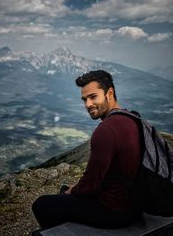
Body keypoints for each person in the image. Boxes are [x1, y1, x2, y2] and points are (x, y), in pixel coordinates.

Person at [32, 70, 142, 231]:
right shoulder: (132, 118)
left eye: (93, 97)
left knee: (42, 204)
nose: (88, 105)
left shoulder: (106, 129)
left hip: (115, 211)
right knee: (65, 192)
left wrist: (73, 190)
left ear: (109, 93)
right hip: (134, 206)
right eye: (84, 99)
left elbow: (90, 186)